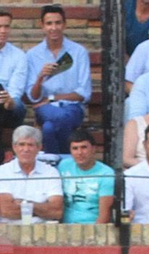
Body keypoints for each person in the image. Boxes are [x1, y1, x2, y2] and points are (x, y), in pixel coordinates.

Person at [23, 4, 88, 154]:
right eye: (49, 23)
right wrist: (40, 77)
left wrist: (52, 98)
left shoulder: (79, 52)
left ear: (64, 25)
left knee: (49, 128)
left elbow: (84, 93)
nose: (54, 28)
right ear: (42, 26)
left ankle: (53, 161)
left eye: (58, 23)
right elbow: (33, 97)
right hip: (46, 110)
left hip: (73, 108)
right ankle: (66, 159)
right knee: (56, 118)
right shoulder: (33, 55)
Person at [0, 123, 61, 223]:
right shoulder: (3, 171)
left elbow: (56, 212)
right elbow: (6, 211)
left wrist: (26, 205)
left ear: (39, 148)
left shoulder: (51, 172)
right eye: (21, 144)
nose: (26, 149)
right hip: (9, 231)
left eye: (30, 145)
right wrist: (40, 208)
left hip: (43, 232)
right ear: (14, 147)